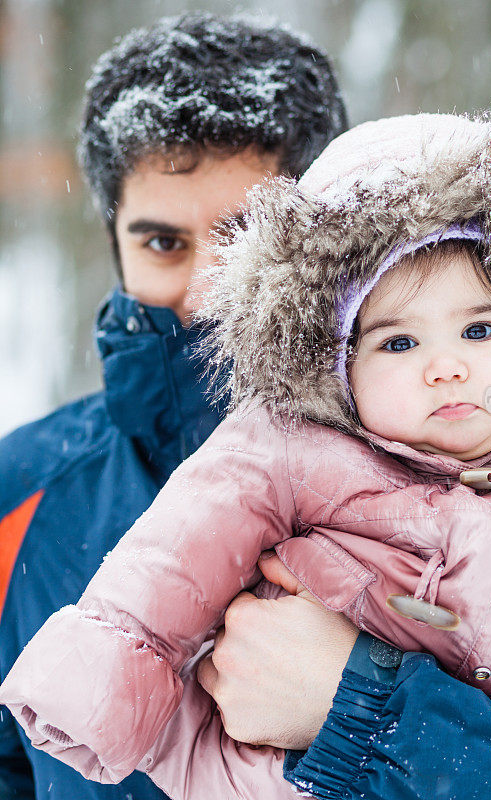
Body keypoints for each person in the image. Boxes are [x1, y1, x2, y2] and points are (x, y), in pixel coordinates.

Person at [2, 106, 491, 800]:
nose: (447, 368)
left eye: (480, 329)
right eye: (400, 343)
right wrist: (109, 673)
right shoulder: (291, 447)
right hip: (280, 774)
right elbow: (174, 556)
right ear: (337, 366)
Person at [0, 11, 347, 800]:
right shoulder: (18, 488)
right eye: (163, 243)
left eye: (244, 236)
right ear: (113, 238)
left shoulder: (464, 459)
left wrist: (369, 700)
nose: (202, 293)